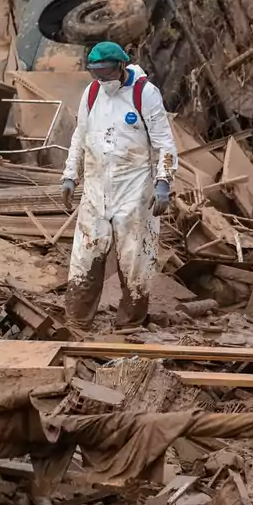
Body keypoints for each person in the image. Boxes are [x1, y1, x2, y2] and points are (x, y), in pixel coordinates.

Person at [60, 42, 178, 328]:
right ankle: (77, 321)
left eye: (107, 73)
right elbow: (80, 137)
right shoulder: (91, 95)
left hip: (135, 187)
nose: (102, 80)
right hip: (96, 187)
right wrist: (70, 175)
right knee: (85, 256)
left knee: (135, 257)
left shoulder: (144, 94)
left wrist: (163, 183)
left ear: (121, 66)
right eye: (96, 74)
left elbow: (164, 142)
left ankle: (130, 324)